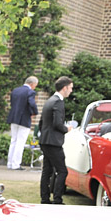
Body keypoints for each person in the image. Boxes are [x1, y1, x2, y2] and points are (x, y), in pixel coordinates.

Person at [39, 76, 74, 205]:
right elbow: (57, 124)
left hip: (45, 140)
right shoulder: (58, 102)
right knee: (62, 171)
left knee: (47, 171)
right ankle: (57, 199)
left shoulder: (49, 101)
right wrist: (67, 129)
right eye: (70, 88)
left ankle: (45, 199)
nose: (71, 91)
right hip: (53, 142)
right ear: (64, 88)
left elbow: (42, 122)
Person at [7, 76, 38, 170]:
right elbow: (32, 103)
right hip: (24, 119)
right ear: (32, 84)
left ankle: (10, 163)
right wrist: (34, 112)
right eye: (35, 85)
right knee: (20, 142)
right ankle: (16, 164)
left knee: (14, 140)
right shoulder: (30, 92)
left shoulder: (15, 90)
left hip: (13, 117)